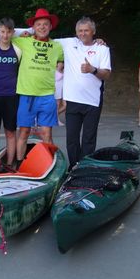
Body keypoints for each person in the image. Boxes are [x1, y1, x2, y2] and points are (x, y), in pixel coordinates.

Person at [55, 17, 111, 170]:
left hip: (93, 101)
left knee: (88, 138)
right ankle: (74, 167)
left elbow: (106, 74)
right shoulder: (69, 43)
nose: (83, 33)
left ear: (93, 32)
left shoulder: (102, 49)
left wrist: (92, 70)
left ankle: (85, 168)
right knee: (72, 139)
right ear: (76, 32)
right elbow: (44, 38)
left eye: (86, 30)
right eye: (80, 31)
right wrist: (28, 33)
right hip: (72, 100)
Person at [12, 8, 63, 168]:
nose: (42, 27)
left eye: (45, 24)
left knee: (46, 134)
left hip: (47, 95)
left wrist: (98, 42)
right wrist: (26, 31)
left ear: (50, 26)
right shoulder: (23, 41)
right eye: (38, 24)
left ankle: (49, 165)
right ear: (33, 27)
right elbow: (6, 32)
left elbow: (77, 46)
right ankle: (20, 165)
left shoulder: (57, 47)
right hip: (26, 95)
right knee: (24, 132)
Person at [0, 17, 22, 168]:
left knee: (10, 132)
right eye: (2, 32)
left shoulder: (18, 51)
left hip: (12, 97)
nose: (5, 35)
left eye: (8, 32)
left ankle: (9, 164)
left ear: (13, 33)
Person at [55, 61, 66, 126]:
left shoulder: (64, 70)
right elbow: (57, 79)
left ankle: (54, 116)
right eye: (61, 63)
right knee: (57, 104)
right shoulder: (55, 71)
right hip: (57, 89)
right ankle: (57, 119)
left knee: (65, 105)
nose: (62, 64)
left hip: (63, 90)